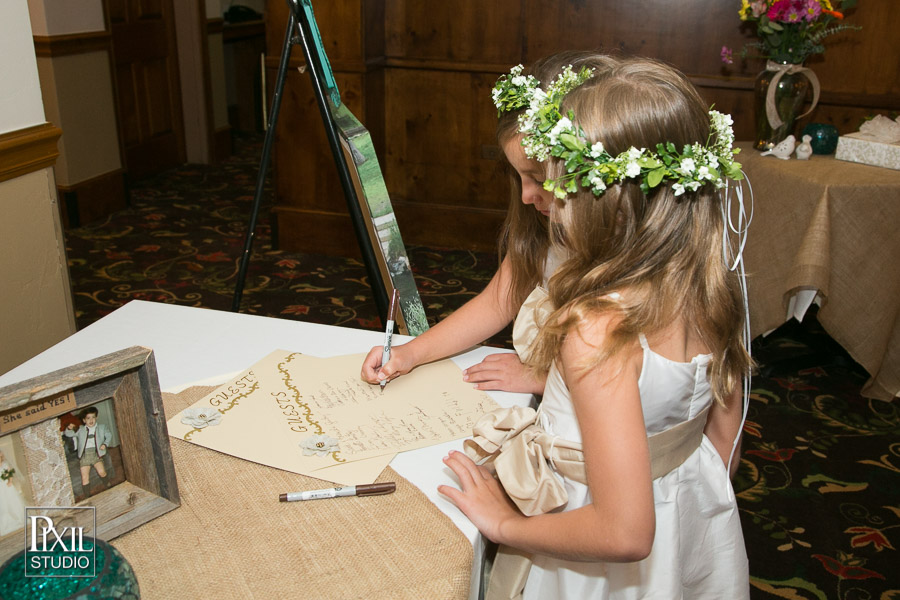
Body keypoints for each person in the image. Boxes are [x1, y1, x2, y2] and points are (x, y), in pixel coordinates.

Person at [434, 54, 752, 598]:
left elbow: (624, 533)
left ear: (608, 198)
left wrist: (505, 525)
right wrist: (686, 507)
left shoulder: (596, 328)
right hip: (689, 519)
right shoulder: (709, 283)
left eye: (556, 182)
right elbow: (726, 442)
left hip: (590, 545)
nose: (546, 202)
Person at [361, 53, 621, 395]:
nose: (525, 196)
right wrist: (411, 353)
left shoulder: (633, 252)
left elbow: (640, 376)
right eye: (518, 177)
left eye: (540, 179)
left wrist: (545, 379)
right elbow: (498, 301)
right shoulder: (542, 225)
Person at [64, 406, 112, 491]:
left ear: (96, 417)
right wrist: (68, 428)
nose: (91, 420)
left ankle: (107, 484)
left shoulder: (102, 427)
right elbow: (68, 434)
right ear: (84, 420)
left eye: (93, 417)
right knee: (85, 477)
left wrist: (105, 444)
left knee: (102, 472)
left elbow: (109, 435)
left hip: (96, 454)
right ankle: (87, 496)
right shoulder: (80, 429)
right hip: (84, 456)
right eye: (88, 418)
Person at [0, 449, 27, 536]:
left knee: (11, 501)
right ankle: (4, 521)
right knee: (2, 503)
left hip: (6, 485)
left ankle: (17, 517)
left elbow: (10, 474)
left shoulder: (5, 464)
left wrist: (10, 481)